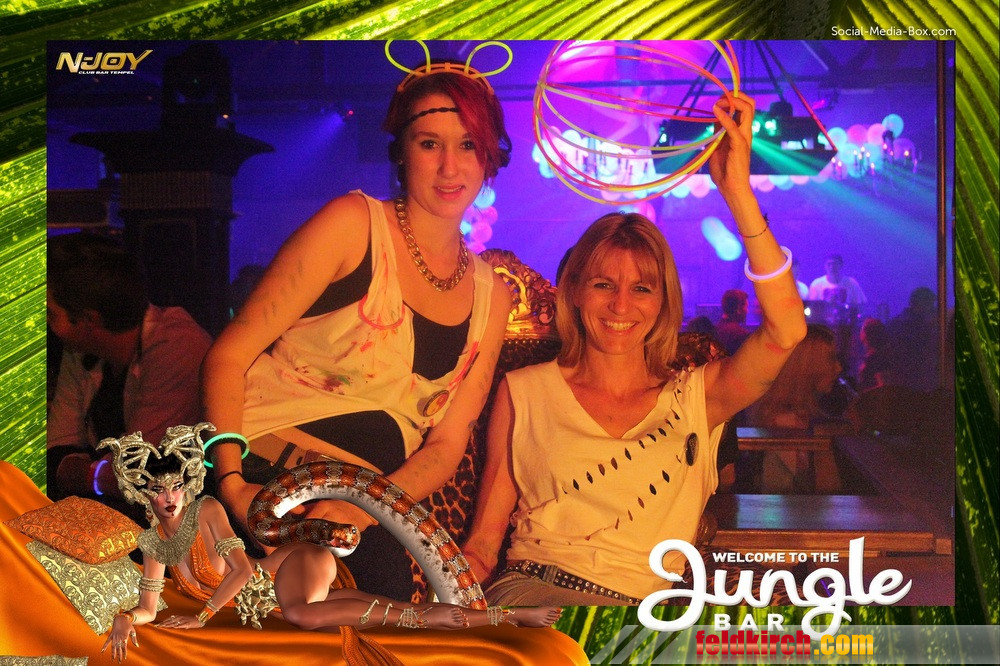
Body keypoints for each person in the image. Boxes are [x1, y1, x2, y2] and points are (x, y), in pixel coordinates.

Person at [462, 92, 807, 605]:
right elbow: (484, 545)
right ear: (575, 292)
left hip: (639, 616)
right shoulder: (523, 390)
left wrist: (737, 191)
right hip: (534, 599)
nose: (621, 305)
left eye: (641, 288)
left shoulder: (698, 398)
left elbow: (787, 330)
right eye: (604, 284)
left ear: (664, 301)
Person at [200, 57, 514, 599]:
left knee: (381, 608)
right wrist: (232, 486)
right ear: (401, 151)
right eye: (429, 143)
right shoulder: (351, 224)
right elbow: (228, 356)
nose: (450, 167)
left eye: (467, 145)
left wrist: (366, 508)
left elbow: (445, 446)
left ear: (488, 157)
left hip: (364, 507)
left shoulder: (493, 296)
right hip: (262, 467)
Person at [98, 426, 560, 664]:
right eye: (158, 490)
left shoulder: (210, 511)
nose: (169, 497)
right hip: (263, 598)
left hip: (284, 576)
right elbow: (149, 604)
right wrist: (126, 619)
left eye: (176, 486)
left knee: (315, 614)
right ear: (144, 494)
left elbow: (239, 571)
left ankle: (507, 617)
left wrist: (201, 618)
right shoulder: (154, 539)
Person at [46, 232, 211, 505]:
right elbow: (57, 447)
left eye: (51, 314)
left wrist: (85, 474)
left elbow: (140, 471)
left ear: (88, 320)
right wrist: (92, 473)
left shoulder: (177, 346)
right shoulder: (80, 349)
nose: (47, 326)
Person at [746, 325, 844, 492]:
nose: (839, 368)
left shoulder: (792, 417)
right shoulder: (785, 425)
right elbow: (824, 493)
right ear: (807, 366)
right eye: (831, 359)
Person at [715, 288, 751, 355]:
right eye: (746, 307)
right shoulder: (740, 334)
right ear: (739, 309)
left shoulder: (714, 329)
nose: (747, 311)